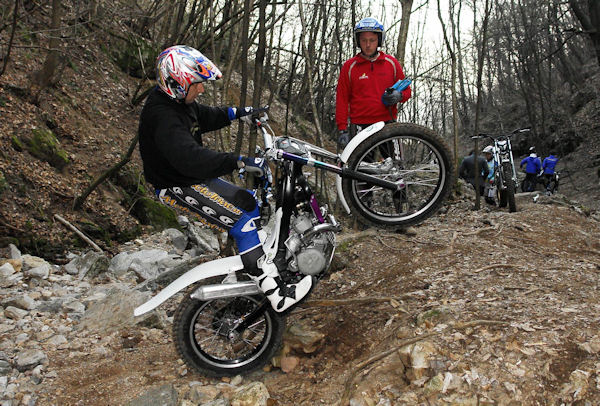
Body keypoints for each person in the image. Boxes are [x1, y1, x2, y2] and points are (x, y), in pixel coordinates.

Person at [138, 45, 312, 313]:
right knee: (241, 223)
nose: (201, 89)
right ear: (177, 81)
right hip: (176, 186)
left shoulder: (179, 101)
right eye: (197, 84)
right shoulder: (162, 117)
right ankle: (277, 295)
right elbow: (191, 157)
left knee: (249, 203)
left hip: (192, 177)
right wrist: (237, 160)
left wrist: (242, 112)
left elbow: (205, 115)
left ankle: (251, 267)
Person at [335, 17, 411, 149]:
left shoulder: (391, 64)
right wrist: (342, 129)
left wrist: (399, 96)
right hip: (359, 125)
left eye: (372, 40)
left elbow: (407, 91)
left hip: (388, 123)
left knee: (395, 167)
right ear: (358, 41)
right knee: (360, 168)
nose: (368, 45)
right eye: (364, 40)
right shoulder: (349, 67)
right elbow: (342, 99)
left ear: (379, 41)